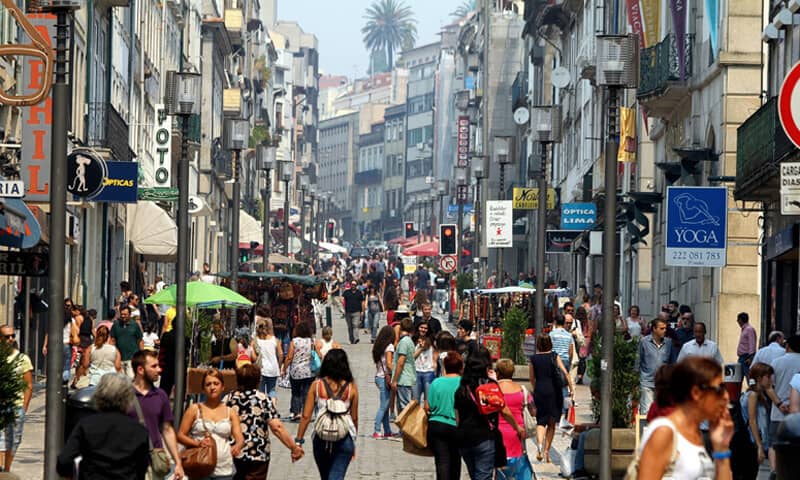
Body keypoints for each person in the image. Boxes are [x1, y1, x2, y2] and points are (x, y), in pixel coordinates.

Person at [636, 357, 734, 480]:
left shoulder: (696, 434)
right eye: (719, 389)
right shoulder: (664, 432)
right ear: (696, 393)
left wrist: (722, 448)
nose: (726, 396)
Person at [57, 373, 150, 479]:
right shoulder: (139, 431)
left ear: (99, 395)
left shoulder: (86, 426)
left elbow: (64, 461)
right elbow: (142, 468)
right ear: (128, 397)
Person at [454, 347, 525, 480]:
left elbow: (457, 418)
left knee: (475, 475)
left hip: (464, 439)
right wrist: (517, 427)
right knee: (483, 477)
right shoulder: (490, 387)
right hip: (484, 438)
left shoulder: (462, 388)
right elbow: (503, 410)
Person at [226, 364, 304, 478]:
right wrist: (293, 447)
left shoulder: (229, 399)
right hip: (258, 453)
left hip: (233, 452)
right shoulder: (262, 399)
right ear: (258, 381)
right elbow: (277, 427)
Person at [295, 349, 359, 480]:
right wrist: (353, 441)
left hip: (321, 437)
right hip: (344, 437)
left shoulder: (317, 385)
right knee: (336, 476)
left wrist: (298, 441)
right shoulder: (351, 387)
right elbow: (354, 418)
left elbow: (306, 416)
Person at [177, 369, 245, 480]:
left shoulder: (230, 412)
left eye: (216, 383)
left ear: (223, 387)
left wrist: (238, 445)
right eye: (208, 384)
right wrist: (197, 443)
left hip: (224, 468)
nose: (212, 387)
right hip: (199, 466)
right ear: (203, 389)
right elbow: (180, 435)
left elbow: (240, 438)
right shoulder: (194, 409)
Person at [129, 350, 184, 480]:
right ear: (140, 370)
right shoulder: (123, 394)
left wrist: (178, 462)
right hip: (129, 462)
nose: (159, 370)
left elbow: (167, 430)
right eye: (154, 366)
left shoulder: (161, 396)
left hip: (153, 462)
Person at [529, 334, 572, 463]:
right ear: (550, 343)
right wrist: (571, 388)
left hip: (540, 390)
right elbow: (564, 372)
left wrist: (536, 388)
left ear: (538, 344)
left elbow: (531, 378)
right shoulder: (554, 356)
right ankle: (547, 450)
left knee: (541, 421)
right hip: (554, 391)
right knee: (552, 422)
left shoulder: (533, 358)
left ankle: (540, 446)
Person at [425, 351, 464, 480]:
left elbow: (428, 406)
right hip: (456, 426)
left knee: (442, 461)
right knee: (455, 460)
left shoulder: (436, 382)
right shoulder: (463, 383)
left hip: (437, 425)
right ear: (460, 367)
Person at [0, 325, 33, 473]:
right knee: (1, 441)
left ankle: (6, 470)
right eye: (7, 337)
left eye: (12, 336)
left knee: (13, 440)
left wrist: (24, 407)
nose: (11, 339)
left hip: (16, 406)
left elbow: (28, 385)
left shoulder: (22, 358)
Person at [495, 358, 534, 480]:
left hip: (498, 433)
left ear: (498, 373)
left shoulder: (493, 390)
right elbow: (533, 411)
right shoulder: (522, 389)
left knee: (499, 469)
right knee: (517, 468)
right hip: (517, 433)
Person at [769, 335, 800, 469]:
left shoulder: (776, 362)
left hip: (778, 411)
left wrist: (779, 403)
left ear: (787, 346)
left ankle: (775, 471)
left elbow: (768, 386)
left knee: (773, 444)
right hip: (798, 415)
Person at [636, 318, 673, 414]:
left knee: (662, 410)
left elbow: (672, 362)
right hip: (647, 381)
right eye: (661, 328)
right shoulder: (644, 342)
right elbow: (638, 360)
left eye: (665, 328)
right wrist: (635, 379)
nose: (664, 331)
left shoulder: (669, 343)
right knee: (647, 411)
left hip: (663, 383)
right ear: (654, 329)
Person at [741, 362, 773, 467]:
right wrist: (759, 446)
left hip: (756, 440)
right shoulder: (753, 395)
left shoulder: (760, 394)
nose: (771, 380)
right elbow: (752, 420)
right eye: (768, 377)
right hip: (752, 442)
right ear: (759, 378)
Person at [282, 321, 316, 422]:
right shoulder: (311, 341)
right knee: (307, 393)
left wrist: (284, 368)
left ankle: (297, 413)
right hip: (309, 371)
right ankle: (307, 413)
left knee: (296, 392)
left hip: (296, 371)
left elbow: (289, 357)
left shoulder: (294, 341)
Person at [372, 325, 398, 438]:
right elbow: (388, 364)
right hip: (384, 378)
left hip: (378, 376)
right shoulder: (390, 346)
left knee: (386, 406)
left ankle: (387, 430)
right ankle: (376, 429)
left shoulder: (379, 346)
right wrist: (396, 373)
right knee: (384, 405)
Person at [391, 318, 417, 413]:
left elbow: (401, 362)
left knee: (404, 408)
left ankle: (407, 428)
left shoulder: (404, 342)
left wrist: (394, 380)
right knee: (402, 407)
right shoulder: (409, 341)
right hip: (407, 377)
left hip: (403, 379)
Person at [111, 305, 144, 378]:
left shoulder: (134, 325)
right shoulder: (116, 325)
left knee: (131, 378)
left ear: (129, 314)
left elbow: (140, 340)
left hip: (132, 357)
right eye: (121, 314)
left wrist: (142, 355)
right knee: (120, 380)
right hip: (119, 358)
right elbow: (112, 340)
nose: (123, 316)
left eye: (125, 314)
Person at [254, 318, 282, 399]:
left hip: (261, 369)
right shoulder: (275, 339)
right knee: (272, 390)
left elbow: (253, 355)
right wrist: (279, 366)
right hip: (273, 368)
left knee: (260, 392)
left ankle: (261, 409)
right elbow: (280, 354)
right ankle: (273, 407)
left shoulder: (255, 340)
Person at [413, 321, 436, 403]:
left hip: (429, 372)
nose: (423, 330)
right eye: (421, 327)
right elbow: (412, 357)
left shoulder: (432, 341)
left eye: (425, 328)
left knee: (428, 400)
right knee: (415, 400)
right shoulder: (413, 340)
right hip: (416, 371)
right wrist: (421, 348)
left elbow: (436, 354)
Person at [737, 312, 757, 380]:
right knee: (738, 378)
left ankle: (752, 390)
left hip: (746, 357)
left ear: (740, 320)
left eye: (738, 320)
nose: (738, 322)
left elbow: (752, 343)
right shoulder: (744, 329)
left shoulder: (749, 329)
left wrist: (751, 358)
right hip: (742, 358)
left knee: (749, 378)